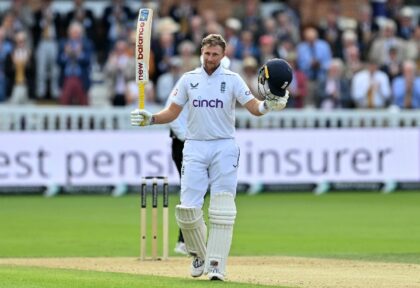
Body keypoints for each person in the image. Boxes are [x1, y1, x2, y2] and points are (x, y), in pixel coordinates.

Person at [131, 34, 292, 281]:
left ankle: (217, 266)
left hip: (224, 147)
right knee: (187, 210)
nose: (210, 58)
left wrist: (270, 105)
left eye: (215, 54)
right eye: (206, 53)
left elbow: (254, 108)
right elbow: (172, 112)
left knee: (222, 208)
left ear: (223, 55)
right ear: (201, 53)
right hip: (194, 146)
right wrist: (151, 118)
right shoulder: (188, 79)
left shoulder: (232, 79)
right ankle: (198, 254)